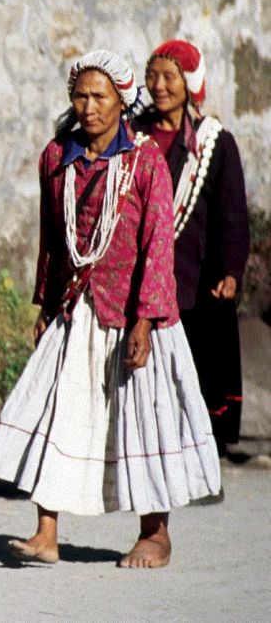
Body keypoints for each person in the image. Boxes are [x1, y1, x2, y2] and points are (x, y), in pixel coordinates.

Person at [0, 50, 221, 568]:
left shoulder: (145, 160)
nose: (88, 107)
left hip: (133, 312)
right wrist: (46, 302)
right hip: (76, 308)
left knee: (145, 419)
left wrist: (146, 319)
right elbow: (51, 237)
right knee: (56, 411)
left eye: (99, 96)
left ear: (122, 101)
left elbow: (159, 244)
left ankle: (155, 534)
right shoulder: (56, 158)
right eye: (80, 96)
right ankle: (46, 531)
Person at [133, 39, 250, 461]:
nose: (159, 85)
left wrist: (230, 270)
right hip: (141, 272)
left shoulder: (213, 143)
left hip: (195, 276)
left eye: (170, 77)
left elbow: (231, 213)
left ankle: (199, 450)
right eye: (153, 76)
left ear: (190, 84)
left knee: (197, 361)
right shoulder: (134, 137)